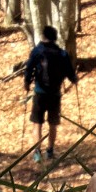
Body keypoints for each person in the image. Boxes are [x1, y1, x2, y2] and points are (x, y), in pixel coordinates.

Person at [23, 26, 78, 161]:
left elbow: (29, 68)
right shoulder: (62, 53)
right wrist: (74, 79)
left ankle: (37, 152)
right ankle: (50, 151)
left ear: (44, 36)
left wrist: (26, 83)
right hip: (55, 93)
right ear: (55, 37)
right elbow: (70, 73)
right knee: (53, 123)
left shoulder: (37, 51)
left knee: (37, 123)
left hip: (40, 92)